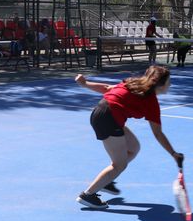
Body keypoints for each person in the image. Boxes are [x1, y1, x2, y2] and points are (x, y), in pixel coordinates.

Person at [75, 65, 184, 209]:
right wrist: (173, 153)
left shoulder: (132, 83)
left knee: (133, 147)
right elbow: (158, 133)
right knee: (119, 164)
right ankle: (88, 195)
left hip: (102, 113)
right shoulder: (151, 102)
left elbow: (107, 88)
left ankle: (106, 181)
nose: (170, 84)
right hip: (108, 119)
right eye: (169, 81)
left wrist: (84, 84)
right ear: (161, 85)